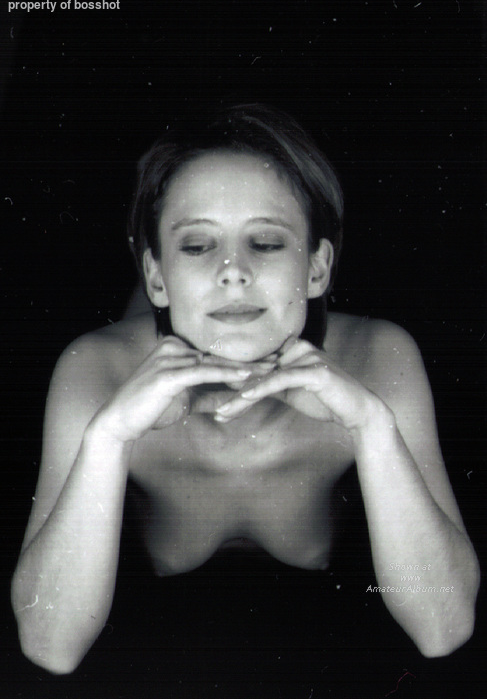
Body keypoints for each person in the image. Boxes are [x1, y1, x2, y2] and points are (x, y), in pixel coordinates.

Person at [11, 103, 479, 675]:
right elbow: (50, 646)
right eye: (197, 245)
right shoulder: (95, 369)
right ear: (155, 276)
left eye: (266, 241)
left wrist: (372, 427)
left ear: (317, 269)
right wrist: (106, 438)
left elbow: (442, 629)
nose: (233, 269)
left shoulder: (378, 358)